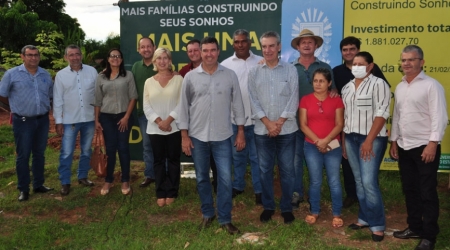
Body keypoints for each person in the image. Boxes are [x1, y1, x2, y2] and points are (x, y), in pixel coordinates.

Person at [178, 36, 245, 235]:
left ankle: (225, 218)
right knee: (201, 178)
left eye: (212, 50)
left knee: (225, 179)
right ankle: (208, 213)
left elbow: (238, 105)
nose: (209, 54)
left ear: (218, 51)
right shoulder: (190, 77)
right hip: (197, 136)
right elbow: (183, 107)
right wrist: (184, 135)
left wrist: (240, 131)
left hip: (223, 136)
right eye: (205, 50)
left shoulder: (230, 75)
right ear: (200, 52)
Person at [390, 45, 447, 250]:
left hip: (425, 147)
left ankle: (429, 236)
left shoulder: (432, 86)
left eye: (411, 60)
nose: (406, 63)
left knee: (427, 192)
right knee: (410, 189)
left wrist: (433, 144)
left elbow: (440, 117)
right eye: (403, 60)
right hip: (405, 146)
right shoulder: (401, 86)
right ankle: (414, 227)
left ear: (421, 62)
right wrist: (394, 140)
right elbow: (397, 116)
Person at [332, 36, 390, 208]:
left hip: (370, 133)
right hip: (349, 132)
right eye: (345, 50)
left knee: (367, 179)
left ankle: (375, 218)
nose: (349, 53)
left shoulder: (376, 78)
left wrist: (370, 139)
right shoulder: (341, 77)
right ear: (342, 53)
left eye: (352, 49)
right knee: (355, 174)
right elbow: (341, 105)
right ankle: (357, 203)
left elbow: (382, 106)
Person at [248, 31, 299, 224]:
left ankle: (286, 208)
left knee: (287, 170)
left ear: (279, 47)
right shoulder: (254, 72)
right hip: (262, 130)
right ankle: (268, 207)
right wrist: (268, 123)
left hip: (287, 130)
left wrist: (279, 122)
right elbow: (253, 100)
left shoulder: (290, 70)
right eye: (264, 47)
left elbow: (294, 98)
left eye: (271, 46)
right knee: (264, 169)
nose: (268, 50)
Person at [341, 51, 390, 242]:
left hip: (372, 139)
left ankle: (377, 225)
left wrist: (369, 140)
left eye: (361, 64)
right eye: (354, 64)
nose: (357, 67)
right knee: (359, 181)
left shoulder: (379, 84)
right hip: (350, 138)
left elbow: (382, 113)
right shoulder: (347, 87)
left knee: (369, 182)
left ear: (370, 66)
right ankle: (364, 218)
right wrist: (344, 142)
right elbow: (345, 117)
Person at [0, 45, 54, 201]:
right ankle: (23, 189)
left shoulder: (45, 74)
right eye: (29, 55)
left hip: (42, 120)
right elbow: (2, 94)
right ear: (22, 56)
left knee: (39, 154)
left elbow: (50, 96)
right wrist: (14, 107)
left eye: (36, 55)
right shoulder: (12, 74)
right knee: (23, 156)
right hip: (23, 121)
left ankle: (38, 184)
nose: (33, 58)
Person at [290, 29, 336, 209]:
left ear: (315, 46)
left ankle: (315, 194)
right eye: (303, 42)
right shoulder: (290, 68)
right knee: (295, 160)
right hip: (294, 122)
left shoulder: (324, 67)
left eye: (310, 42)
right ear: (298, 47)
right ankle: (296, 193)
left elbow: (334, 92)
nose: (307, 45)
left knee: (317, 162)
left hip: (320, 125)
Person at [221, 29, 263, 205]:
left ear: (249, 42)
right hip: (234, 120)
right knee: (237, 156)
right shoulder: (225, 64)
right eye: (237, 42)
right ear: (233, 44)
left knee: (256, 157)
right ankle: (238, 186)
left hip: (258, 120)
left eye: (243, 41)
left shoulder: (260, 62)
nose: (240, 44)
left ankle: (259, 190)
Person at [300, 68, 344, 228]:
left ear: (329, 83)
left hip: (333, 144)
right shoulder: (305, 100)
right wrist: (318, 141)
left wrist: (326, 140)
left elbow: (340, 124)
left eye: (322, 81)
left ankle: (337, 213)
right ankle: (314, 211)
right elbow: (303, 125)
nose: (318, 84)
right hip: (312, 145)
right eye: (315, 81)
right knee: (315, 181)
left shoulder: (337, 100)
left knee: (334, 181)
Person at [53, 45, 98, 196]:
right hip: (69, 120)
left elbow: (98, 95)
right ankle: (65, 182)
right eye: (71, 55)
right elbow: (58, 99)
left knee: (86, 150)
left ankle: (83, 176)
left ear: (81, 55)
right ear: (66, 57)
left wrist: (99, 118)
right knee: (66, 152)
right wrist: (58, 121)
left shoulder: (92, 71)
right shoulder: (61, 75)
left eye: (77, 54)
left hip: (89, 118)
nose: (75, 57)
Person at [94, 48, 138, 196]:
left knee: (123, 147)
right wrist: (96, 120)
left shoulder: (128, 75)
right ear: (108, 58)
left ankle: (125, 179)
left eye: (118, 56)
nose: (115, 58)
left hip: (123, 116)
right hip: (106, 117)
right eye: (112, 56)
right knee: (110, 148)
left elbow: (133, 97)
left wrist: (126, 117)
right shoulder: (101, 77)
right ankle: (108, 179)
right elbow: (98, 101)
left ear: (122, 59)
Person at [143, 48, 183, 207]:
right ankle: (160, 191)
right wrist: (159, 121)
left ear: (170, 60)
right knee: (158, 161)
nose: (162, 61)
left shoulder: (179, 79)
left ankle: (172, 191)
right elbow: (146, 106)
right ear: (154, 61)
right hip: (154, 129)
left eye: (165, 58)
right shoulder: (148, 82)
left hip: (174, 127)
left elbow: (182, 103)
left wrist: (168, 121)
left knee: (173, 160)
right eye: (159, 58)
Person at [179, 39, 218, 193]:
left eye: (196, 50)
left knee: (215, 156)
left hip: (214, 121)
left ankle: (217, 182)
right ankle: (204, 185)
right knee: (200, 155)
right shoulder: (184, 73)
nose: (193, 53)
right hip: (193, 121)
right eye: (190, 51)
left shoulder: (217, 70)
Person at [131, 37, 156, 188]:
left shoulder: (161, 64)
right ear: (139, 50)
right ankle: (150, 175)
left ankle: (163, 174)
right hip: (143, 114)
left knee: (162, 147)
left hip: (162, 114)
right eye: (143, 47)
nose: (146, 49)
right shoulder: (135, 67)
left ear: (154, 47)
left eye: (148, 46)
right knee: (147, 146)